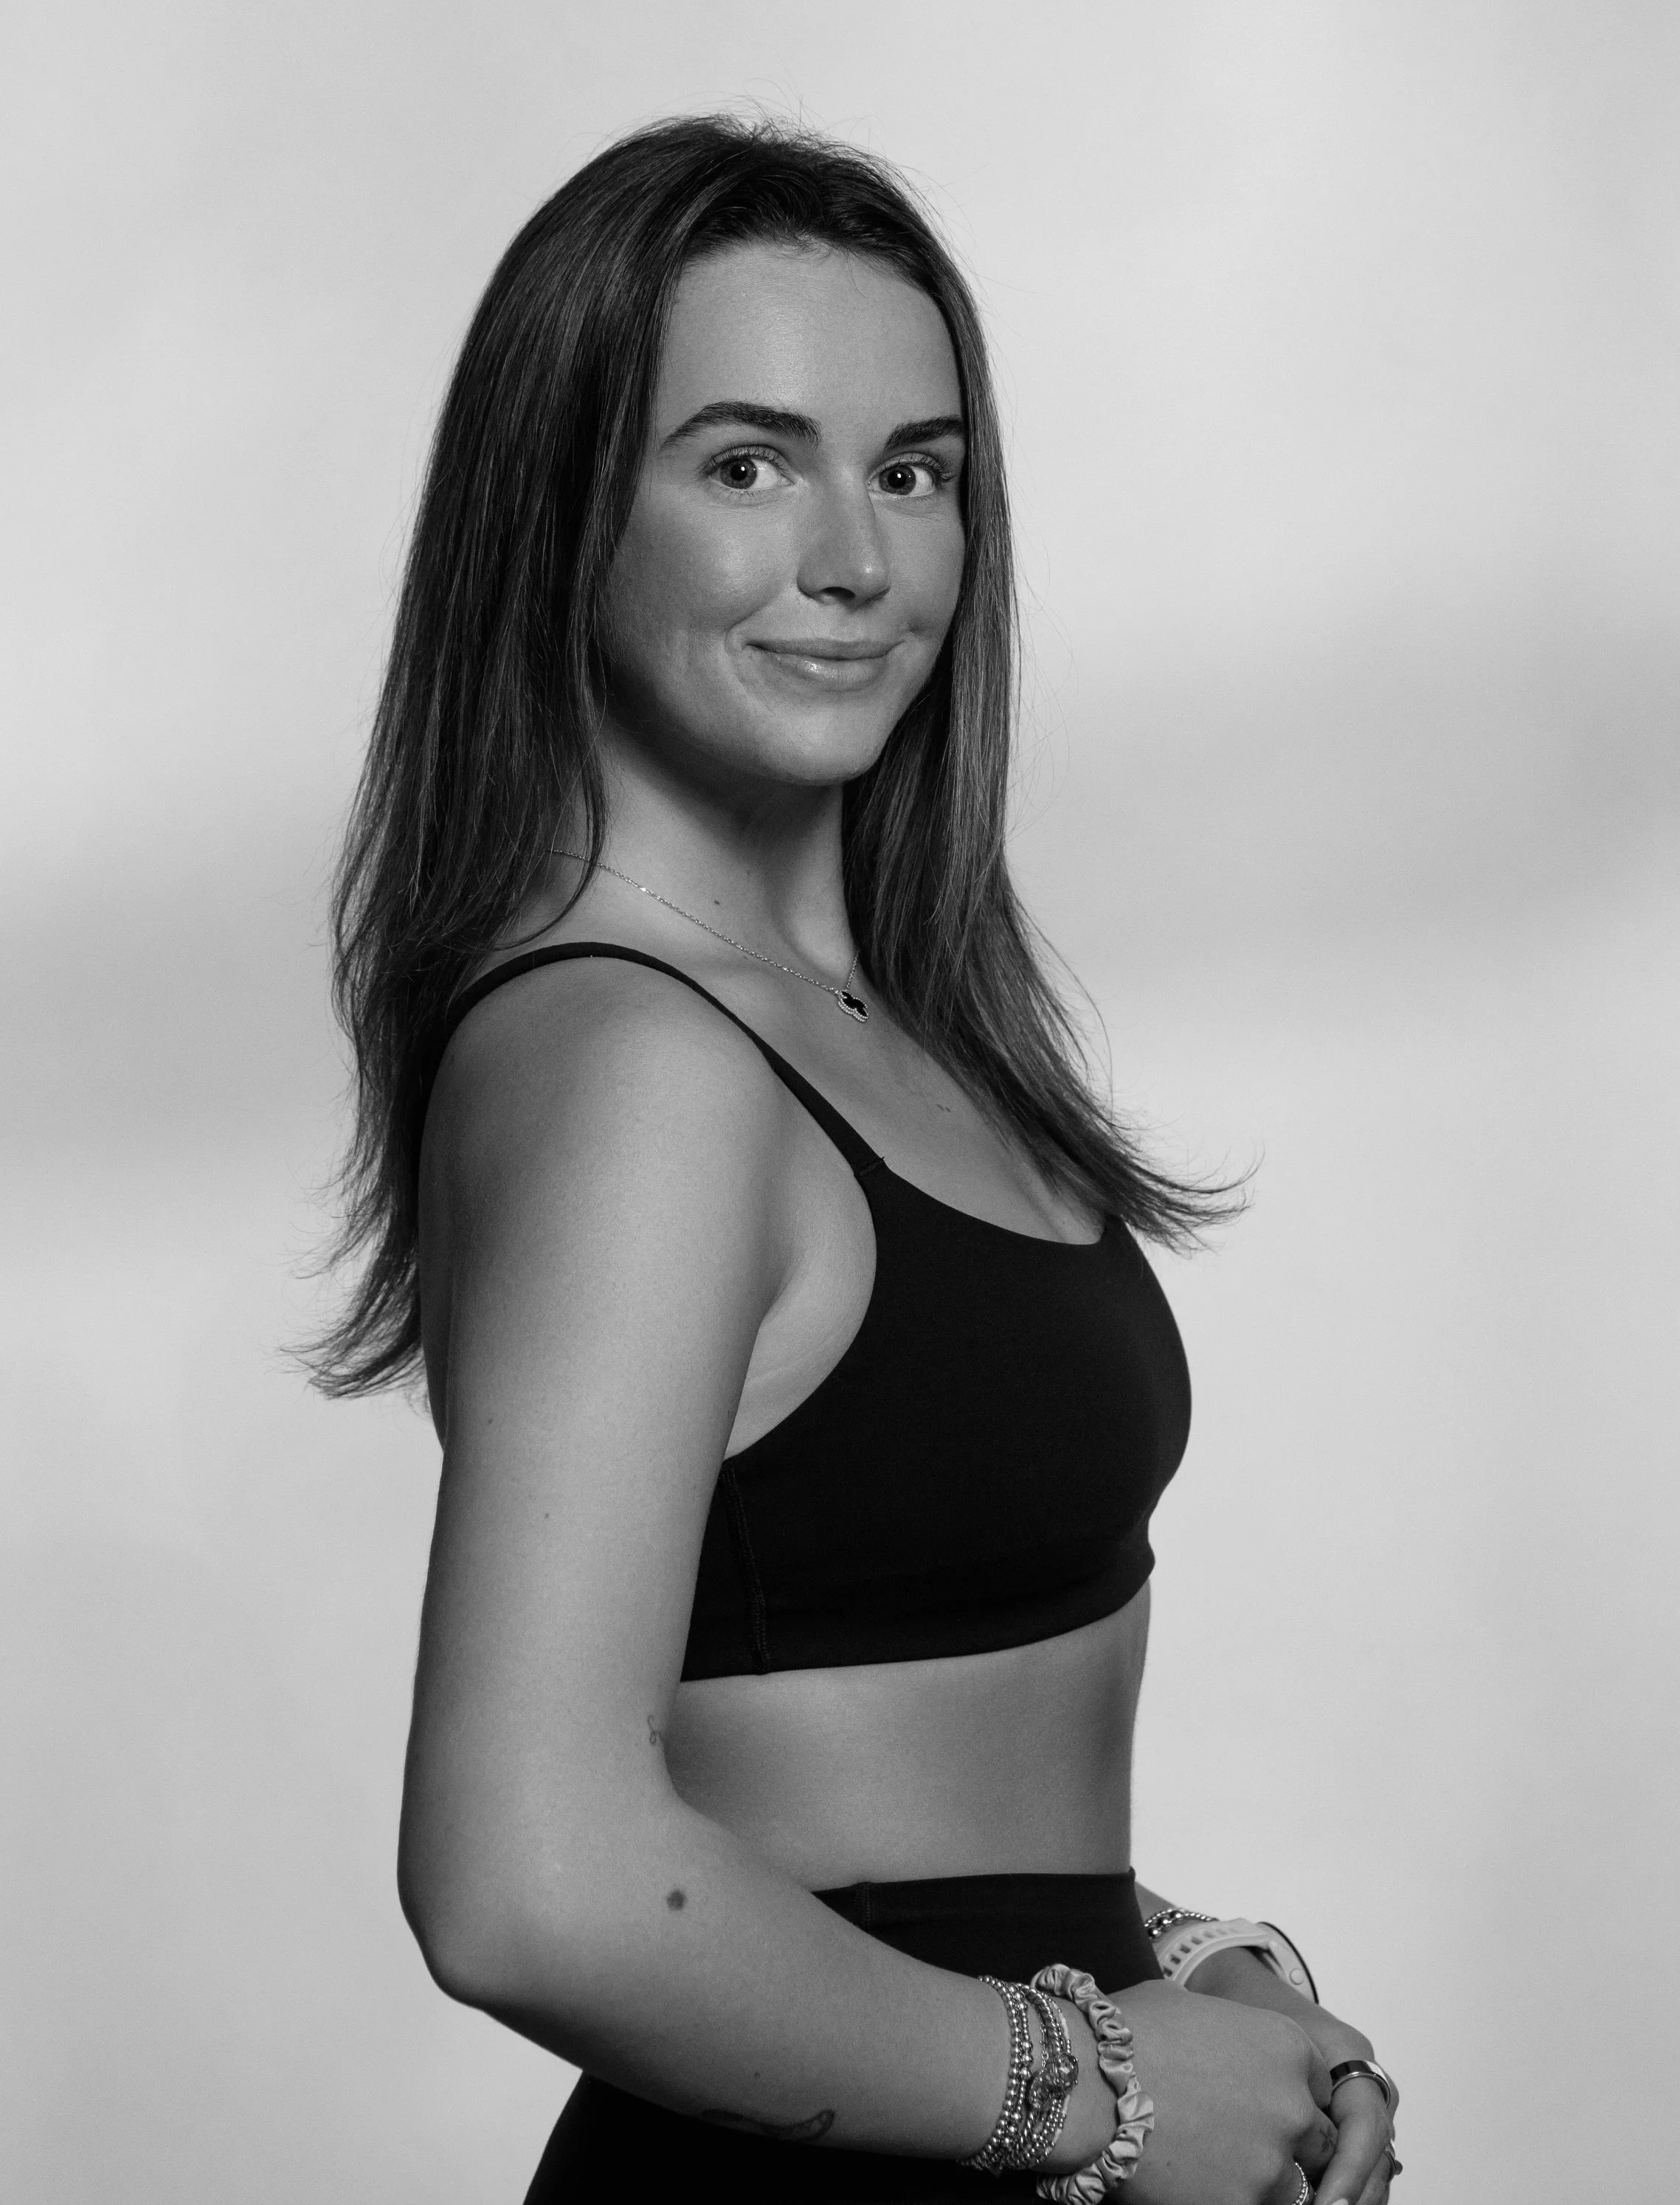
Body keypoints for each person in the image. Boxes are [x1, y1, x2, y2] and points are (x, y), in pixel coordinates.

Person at [317, 116, 1401, 2204]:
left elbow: (879, 1807)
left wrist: (1178, 1978)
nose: (857, 558)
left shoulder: (874, 1024)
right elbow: (521, 1880)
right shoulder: (638, 1059)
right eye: (745, 462)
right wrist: (1104, 2092)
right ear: (560, 516)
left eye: (914, 471)